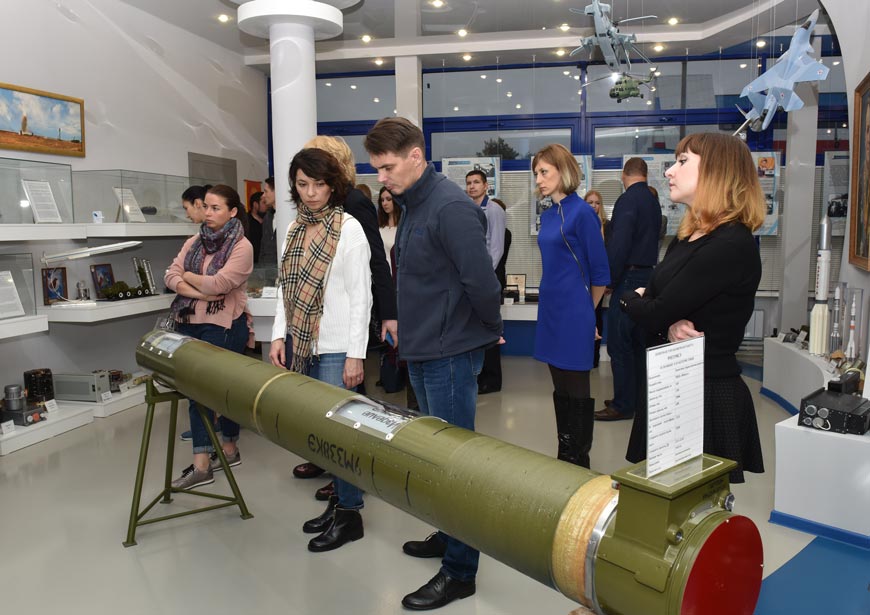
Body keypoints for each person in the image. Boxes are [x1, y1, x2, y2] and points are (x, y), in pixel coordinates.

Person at [365, 117, 502, 611]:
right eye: (377, 169)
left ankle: (461, 572)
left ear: (416, 156)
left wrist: (490, 328)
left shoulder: (451, 207)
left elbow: (481, 282)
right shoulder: (413, 204)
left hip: (449, 353)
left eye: (387, 167)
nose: (382, 178)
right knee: (434, 459)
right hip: (422, 349)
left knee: (453, 466)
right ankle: (449, 535)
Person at [620, 132, 765, 484]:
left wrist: (632, 300)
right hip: (672, 383)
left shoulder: (731, 243)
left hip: (704, 393)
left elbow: (653, 307)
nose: (670, 171)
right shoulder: (688, 238)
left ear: (717, 172)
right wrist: (663, 319)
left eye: (682, 162)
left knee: (697, 508)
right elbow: (660, 306)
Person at [268, 148, 372, 550]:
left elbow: (361, 297)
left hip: (336, 348)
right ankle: (338, 503)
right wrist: (279, 335)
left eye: (319, 184)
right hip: (302, 345)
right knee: (319, 433)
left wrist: (356, 354)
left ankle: (350, 514)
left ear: (333, 185)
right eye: (303, 184)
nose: (311, 192)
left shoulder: (349, 229)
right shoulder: (294, 229)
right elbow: (285, 288)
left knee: (340, 436)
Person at [289, 135, 398, 498]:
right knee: (322, 407)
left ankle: (349, 481)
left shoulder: (353, 204)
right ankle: (328, 463)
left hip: (345, 322)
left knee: (346, 407)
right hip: (313, 332)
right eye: (303, 182)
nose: (311, 189)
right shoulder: (303, 219)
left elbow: (375, 261)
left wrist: (389, 313)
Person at [165, 185, 253, 489]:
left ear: (232, 211)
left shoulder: (242, 246)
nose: (208, 213)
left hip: (223, 326)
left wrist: (188, 278)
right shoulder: (194, 241)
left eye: (216, 208)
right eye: (206, 207)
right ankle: (221, 453)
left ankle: (211, 460)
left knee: (213, 391)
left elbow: (221, 284)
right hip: (189, 323)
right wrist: (200, 291)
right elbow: (170, 276)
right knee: (204, 392)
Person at [533, 144, 610, 469]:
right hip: (550, 310)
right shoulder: (548, 214)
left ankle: (579, 462)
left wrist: (587, 314)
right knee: (559, 388)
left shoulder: (582, 213)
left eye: (544, 172)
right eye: (536, 173)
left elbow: (601, 273)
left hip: (575, 312)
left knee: (577, 390)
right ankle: (564, 456)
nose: (538, 179)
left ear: (563, 171)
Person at [596, 157, 661, 422]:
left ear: (625, 175)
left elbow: (619, 244)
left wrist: (609, 280)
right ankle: (635, 399)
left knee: (619, 344)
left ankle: (622, 405)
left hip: (629, 277)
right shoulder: (652, 200)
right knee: (636, 344)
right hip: (647, 276)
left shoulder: (628, 200)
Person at [466, 169, 506, 394]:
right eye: (469, 183)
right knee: (475, 329)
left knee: (490, 329)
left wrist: (482, 276)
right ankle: (478, 375)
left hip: (488, 277)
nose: (472, 186)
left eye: (476, 182)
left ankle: (492, 380)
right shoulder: (467, 208)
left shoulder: (494, 210)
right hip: (473, 278)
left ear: (485, 186)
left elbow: (497, 248)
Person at [584, 190, 607, 368]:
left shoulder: (607, 226)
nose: (594, 206)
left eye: (597, 203)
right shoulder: (582, 224)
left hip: (599, 280)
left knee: (596, 315)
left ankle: (594, 357)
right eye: (590, 202)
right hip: (584, 278)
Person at [377, 186, 400, 266]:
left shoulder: (403, 226)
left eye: (388, 199)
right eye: (382, 200)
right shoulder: (379, 225)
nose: (384, 203)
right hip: (381, 269)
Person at [259, 177, 277, 267]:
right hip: (267, 270)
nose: (263, 195)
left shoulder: (289, 217)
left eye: (266, 191)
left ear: (276, 191)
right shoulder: (267, 217)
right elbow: (263, 246)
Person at [246, 190, 264, 264]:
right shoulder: (246, 221)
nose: (266, 205)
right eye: (263, 203)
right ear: (255, 204)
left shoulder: (269, 219)